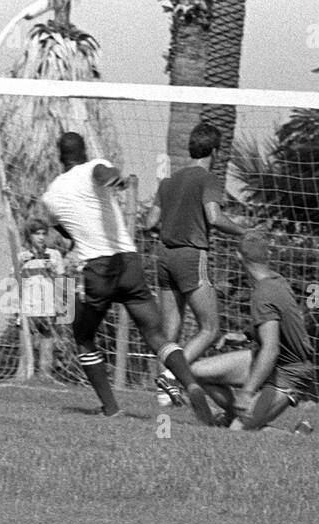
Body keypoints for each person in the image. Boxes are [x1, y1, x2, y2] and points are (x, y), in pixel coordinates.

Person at [40, 131, 215, 423]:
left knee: (83, 336)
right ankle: (191, 383)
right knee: (156, 335)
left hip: (97, 270)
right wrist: (114, 179)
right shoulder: (93, 167)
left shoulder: (51, 195)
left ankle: (111, 408)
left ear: (60, 157)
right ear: (83, 152)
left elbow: (62, 229)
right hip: (129, 263)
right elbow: (102, 172)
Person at [145, 123, 247, 407]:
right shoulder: (208, 179)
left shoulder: (168, 182)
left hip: (164, 256)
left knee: (170, 330)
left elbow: (150, 222)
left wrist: (172, 227)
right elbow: (213, 217)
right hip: (191, 256)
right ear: (215, 151)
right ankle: (171, 377)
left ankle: (163, 398)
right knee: (210, 328)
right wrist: (243, 232)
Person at [189, 233, 315, 432]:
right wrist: (246, 335)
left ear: (238, 256)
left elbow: (271, 349)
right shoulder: (277, 280)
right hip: (270, 361)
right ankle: (234, 416)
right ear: (268, 255)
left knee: (237, 433)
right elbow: (280, 321)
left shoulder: (262, 294)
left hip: (290, 373)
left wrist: (247, 392)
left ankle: (294, 436)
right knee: (196, 371)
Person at [17, 218, 67, 383]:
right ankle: (23, 377)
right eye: (36, 234)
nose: (40, 237)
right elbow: (13, 281)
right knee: (26, 346)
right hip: (27, 307)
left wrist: (62, 307)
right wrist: (21, 266)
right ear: (29, 236)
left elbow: (61, 280)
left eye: (43, 234)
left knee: (47, 346)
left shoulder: (54, 255)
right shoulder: (21, 256)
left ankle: (45, 378)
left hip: (48, 307)